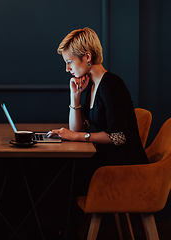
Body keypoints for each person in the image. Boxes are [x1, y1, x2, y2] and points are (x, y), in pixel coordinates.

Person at [47, 27, 149, 196]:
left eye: (70, 62)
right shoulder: (94, 84)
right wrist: (75, 97)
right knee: (61, 173)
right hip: (108, 162)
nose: (67, 68)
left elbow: (119, 136)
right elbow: (78, 128)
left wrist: (78, 137)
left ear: (87, 57)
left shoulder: (111, 85)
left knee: (62, 176)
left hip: (124, 168)